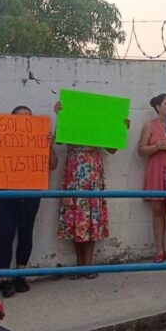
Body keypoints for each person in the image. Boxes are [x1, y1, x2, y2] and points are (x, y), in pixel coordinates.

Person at [0, 105, 58, 296]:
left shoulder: (40, 139)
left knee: (26, 233)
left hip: (31, 194)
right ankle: (3, 278)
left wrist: (48, 146)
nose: (25, 123)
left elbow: (53, 165)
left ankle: (20, 274)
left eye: (28, 119)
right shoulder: (1, 138)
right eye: (20, 119)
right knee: (6, 235)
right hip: (7, 194)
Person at [55, 101, 123, 279]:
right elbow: (59, 140)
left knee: (91, 216)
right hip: (74, 173)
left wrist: (120, 128)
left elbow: (112, 148)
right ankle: (80, 266)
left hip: (92, 174)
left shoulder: (98, 123)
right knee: (75, 216)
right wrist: (60, 117)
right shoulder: (71, 121)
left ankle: (88, 264)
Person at [137, 94, 166, 263]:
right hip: (156, 171)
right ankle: (159, 250)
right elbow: (141, 150)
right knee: (158, 211)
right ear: (158, 107)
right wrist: (156, 147)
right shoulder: (149, 125)